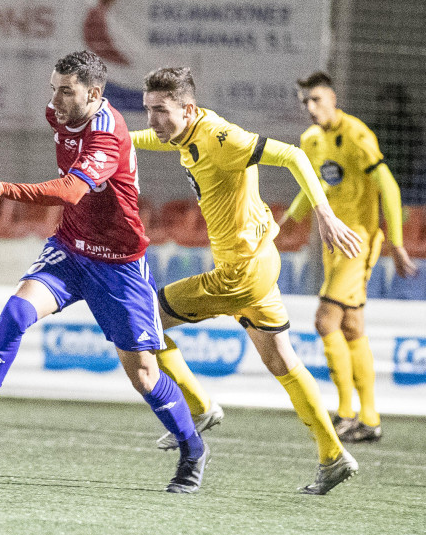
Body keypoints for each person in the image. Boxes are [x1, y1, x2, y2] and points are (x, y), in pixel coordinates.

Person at [0, 51, 208, 494]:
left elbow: (71, 190)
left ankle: (193, 449)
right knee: (13, 317)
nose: (54, 100)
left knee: (145, 377)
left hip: (119, 265)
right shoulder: (61, 114)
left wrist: (4, 188)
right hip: (71, 251)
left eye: (66, 91)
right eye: (52, 88)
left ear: (94, 94)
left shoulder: (108, 134)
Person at [131, 67, 362, 495]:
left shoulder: (220, 139)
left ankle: (198, 409)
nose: (152, 120)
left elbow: (293, 156)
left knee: (142, 317)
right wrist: (115, 139)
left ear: (189, 109)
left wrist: (325, 215)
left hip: (241, 274)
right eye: (148, 110)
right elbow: (146, 138)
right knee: (283, 363)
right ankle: (332, 456)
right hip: (259, 264)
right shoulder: (186, 132)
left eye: (160, 111)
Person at [281, 72, 417, 442]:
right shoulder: (310, 140)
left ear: (333, 98)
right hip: (332, 243)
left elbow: (387, 184)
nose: (311, 108)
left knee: (325, 320)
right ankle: (369, 419)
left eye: (317, 100)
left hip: (358, 241)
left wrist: (397, 242)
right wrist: (288, 221)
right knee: (352, 327)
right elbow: (317, 186)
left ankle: (343, 413)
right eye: (305, 102)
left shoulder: (357, 135)